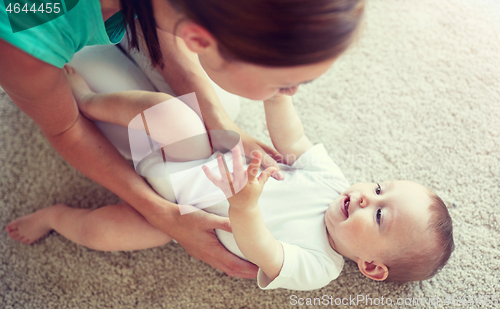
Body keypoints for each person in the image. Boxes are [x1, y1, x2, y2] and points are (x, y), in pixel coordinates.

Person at [0, 0, 365, 277]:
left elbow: (170, 20)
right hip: (49, 44)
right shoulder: (24, 35)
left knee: (222, 107)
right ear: (198, 38)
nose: (294, 92)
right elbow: (65, 129)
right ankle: (58, 215)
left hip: (189, 172)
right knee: (174, 124)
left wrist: (223, 124)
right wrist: (164, 215)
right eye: (284, 85)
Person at [6, 67, 454, 288]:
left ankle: (56, 216)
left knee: (112, 232)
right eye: (378, 190)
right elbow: (292, 139)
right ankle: (87, 101)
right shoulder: (331, 183)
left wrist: (243, 205)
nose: (363, 199)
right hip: (188, 161)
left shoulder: (321, 266)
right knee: (172, 114)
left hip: (180, 222)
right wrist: (280, 98)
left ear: (371, 266)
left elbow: (264, 249)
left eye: (378, 217)